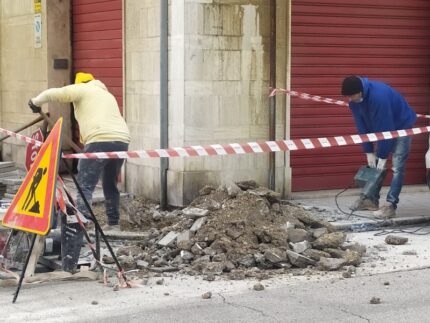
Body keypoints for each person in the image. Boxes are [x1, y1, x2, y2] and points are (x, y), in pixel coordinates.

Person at [28, 72, 131, 231]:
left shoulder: (83, 89)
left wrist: (35, 101)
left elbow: (55, 93)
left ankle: (81, 227)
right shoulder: (105, 94)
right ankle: (113, 223)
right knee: (110, 183)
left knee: (85, 185)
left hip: (99, 138)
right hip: (121, 140)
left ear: (79, 84)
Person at [341, 76, 416, 219]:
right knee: (375, 164)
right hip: (383, 127)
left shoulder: (378, 98)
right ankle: (370, 200)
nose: (350, 98)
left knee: (397, 166)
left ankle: (390, 205)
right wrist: (368, 151)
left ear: (360, 91)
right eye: (347, 96)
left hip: (402, 125)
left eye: (352, 95)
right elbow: (361, 126)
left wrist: (382, 156)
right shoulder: (354, 102)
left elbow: (386, 130)